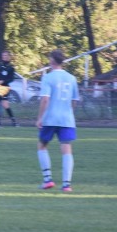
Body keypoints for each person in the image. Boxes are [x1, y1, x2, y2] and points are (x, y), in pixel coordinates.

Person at [35, 50, 78, 192]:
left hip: (50, 118)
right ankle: (67, 184)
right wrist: (69, 113)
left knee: (42, 145)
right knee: (66, 148)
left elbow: (45, 99)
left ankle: (47, 180)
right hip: (66, 119)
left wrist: (40, 118)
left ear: (52, 61)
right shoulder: (71, 78)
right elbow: (74, 100)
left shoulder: (48, 77)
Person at [0, 50, 18, 127]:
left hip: (5, 87)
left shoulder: (11, 67)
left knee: (5, 105)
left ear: (9, 56)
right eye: (3, 56)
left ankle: (14, 122)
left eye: (6, 55)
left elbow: (11, 79)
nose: (4, 57)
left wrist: (3, 81)